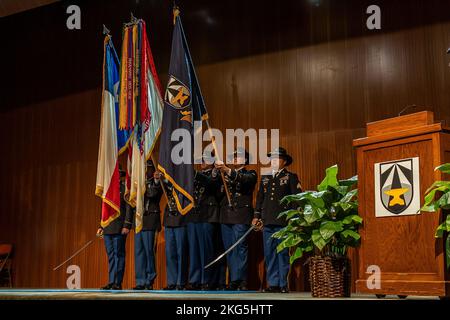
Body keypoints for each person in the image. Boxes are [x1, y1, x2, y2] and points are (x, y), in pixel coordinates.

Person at [253, 147, 302, 293]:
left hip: (283, 223)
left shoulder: (291, 177)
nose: (273, 161)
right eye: (272, 158)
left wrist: (293, 219)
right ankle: (273, 284)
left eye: (277, 158)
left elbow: (296, 200)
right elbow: (260, 199)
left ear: (284, 161)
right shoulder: (266, 177)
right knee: (270, 253)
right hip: (267, 222)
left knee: (282, 253)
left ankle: (282, 284)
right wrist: (256, 216)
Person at [215, 148, 257, 291]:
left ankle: (242, 280)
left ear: (245, 160)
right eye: (233, 156)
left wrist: (226, 170)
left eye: (238, 156)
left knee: (240, 248)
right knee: (229, 249)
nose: (234, 159)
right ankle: (233, 279)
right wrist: (218, 173)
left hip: (241, 215)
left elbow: (244, 181)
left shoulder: (250, 174)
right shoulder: (224, 175)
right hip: (226, 216)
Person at [186, 154, 221, 290]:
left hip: (208, 215)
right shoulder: (196, 175)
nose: (201, 161)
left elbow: (212, 185)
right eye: (200, 159)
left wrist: (194, 174)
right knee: (194, 250)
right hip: (194, 215)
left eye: (205, 159)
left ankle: (207, 280)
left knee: (207, 250)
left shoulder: (215, 173)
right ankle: (195, 279)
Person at [97, 168, 132, 290]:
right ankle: (111, 281)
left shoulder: (123, 189)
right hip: (108, 227)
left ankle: (118, 282)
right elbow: (103, 210)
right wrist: (101, 226)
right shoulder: (107, 190)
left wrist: (127, 225)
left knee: (119, 255)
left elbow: (128, 208)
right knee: (111, 255)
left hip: (119, 227)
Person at [131, 161, 163, 290]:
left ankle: (149, 280)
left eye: (147, 168)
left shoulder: (155, 183)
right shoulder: (138, 183)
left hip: (150, 220)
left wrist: (154, 181)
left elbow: (152, 194)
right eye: (142, 168)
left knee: (149, 251)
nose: (144, 170)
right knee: (139, 252)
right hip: (139, 221)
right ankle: (140, 281)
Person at [162, 177, 188, 290]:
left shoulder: (184, 178)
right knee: (170, 253)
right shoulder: (168, 179)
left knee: (181, 252)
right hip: (169, 219)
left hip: (181, 219)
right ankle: (171, 282)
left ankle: (180, 282)